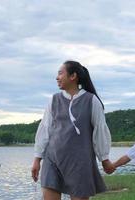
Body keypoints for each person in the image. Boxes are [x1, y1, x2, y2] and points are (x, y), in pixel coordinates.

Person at [31, 60, 115, 200]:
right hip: (52, 160)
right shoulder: (54, 100)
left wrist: (104, 159)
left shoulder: (91, 100)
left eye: (60, 73)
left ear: (73, 76)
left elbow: (99, 131)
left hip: (80, 163)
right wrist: (37, 159)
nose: (57, 77)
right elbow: (45, 129)